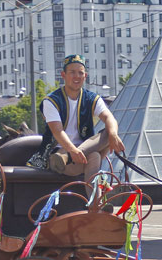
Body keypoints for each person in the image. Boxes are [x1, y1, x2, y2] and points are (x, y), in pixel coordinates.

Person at [27, 54, 124, 182]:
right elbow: (57, 131)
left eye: (80, 73)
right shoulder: (51, 101)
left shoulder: (91, 98)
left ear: (85, 76)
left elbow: (109, 117)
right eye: (72, 72)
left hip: (82, 152)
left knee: (108, 133)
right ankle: (95, 202)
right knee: (94, 156)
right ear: (63, 75)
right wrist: (71, 150)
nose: (77, 76)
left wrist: (113, 135)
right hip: (57, 154)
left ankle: (94, 202)